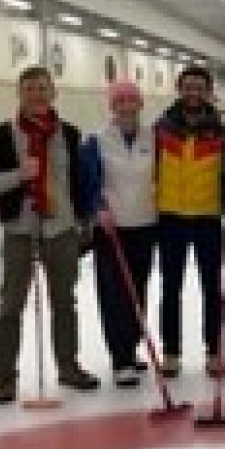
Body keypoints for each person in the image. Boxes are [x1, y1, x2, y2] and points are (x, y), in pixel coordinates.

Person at [0, 66, 99, 404]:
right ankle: (5, 376)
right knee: (11, 304)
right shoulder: (1, 135)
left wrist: (84, 223)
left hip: (60, 229)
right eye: (30, 88)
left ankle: (68, 365)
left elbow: (80, 183)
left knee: (64, 301)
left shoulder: (70, 135)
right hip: (19, 229)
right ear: (20, 93)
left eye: (43, 88)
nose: (37, 94)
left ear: (53, 92)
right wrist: (18, 175)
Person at [154, 65, 225, 378]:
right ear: (180, 88)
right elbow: (151, 169)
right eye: (188, 87)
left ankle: (214, 352)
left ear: (207, 91)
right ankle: (171, 353)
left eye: (199, 87)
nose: (193, 92)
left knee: (211, 289)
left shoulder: (221, 131)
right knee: (170, 288)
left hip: (208, 218)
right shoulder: (162, 128)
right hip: (170, 217)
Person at [81, 81, 157, 388]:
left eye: (132, 101)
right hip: (111, 228)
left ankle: (132, 345)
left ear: (140, 104)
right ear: (112, 106)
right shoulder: (96, 140)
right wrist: (97, 208)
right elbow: (88, 182)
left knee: (138, 290)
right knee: (114, 294)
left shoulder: (153, 137)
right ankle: (120, 357)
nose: (126, 106)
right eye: (120, 101)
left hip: (145, 223)